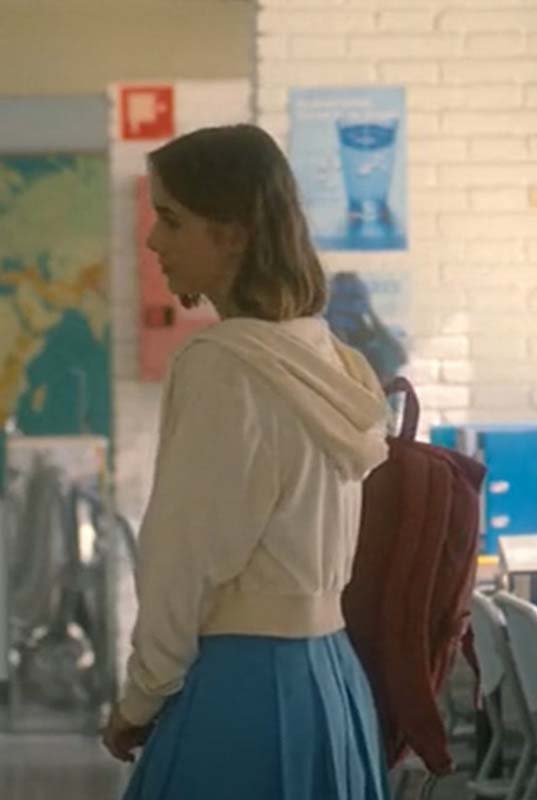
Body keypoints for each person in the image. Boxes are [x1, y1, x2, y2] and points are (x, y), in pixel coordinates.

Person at [101, 124, 391, 800]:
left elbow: (182, 559)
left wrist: (139, 699)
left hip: (242, 689)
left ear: (232, 234)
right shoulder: (328, 355)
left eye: (172, 219)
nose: (154, 241)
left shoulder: (223, 366)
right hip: (331, 679)